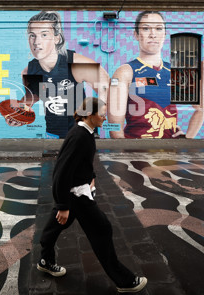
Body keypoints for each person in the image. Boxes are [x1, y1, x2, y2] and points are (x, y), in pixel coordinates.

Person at [36, 97, 148, 293]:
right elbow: (61, 172)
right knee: (102, 230)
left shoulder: (86, 133)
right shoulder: (79, 136)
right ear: (90, 114)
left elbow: (82, 163)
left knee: (53, 229)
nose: (105, 116)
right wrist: (63, 205)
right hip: (76, 196)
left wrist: (91, 176)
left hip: (77, 192)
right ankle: (124, 281)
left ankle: (46, 261)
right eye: (102, 113)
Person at [6, 11, 109, 138]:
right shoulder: (29, 71)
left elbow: (107, 86)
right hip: (52, 135)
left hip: (80, 134)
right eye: (32, 35)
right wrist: (17, 116)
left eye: (44, 35)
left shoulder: (75, 63)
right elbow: (31, 98)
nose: (36, 42)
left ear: (57, 38)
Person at [108, 11, 190, 138]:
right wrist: (125, 154)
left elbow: (201, 108)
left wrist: (188, 136)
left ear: (164, 34)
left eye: (158, 29)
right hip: (137, 153)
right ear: (136, 34)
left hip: (170, 153)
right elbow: (114, 129)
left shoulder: (175, 72)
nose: (153, 34)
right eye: (146, 28)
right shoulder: (125, 72)